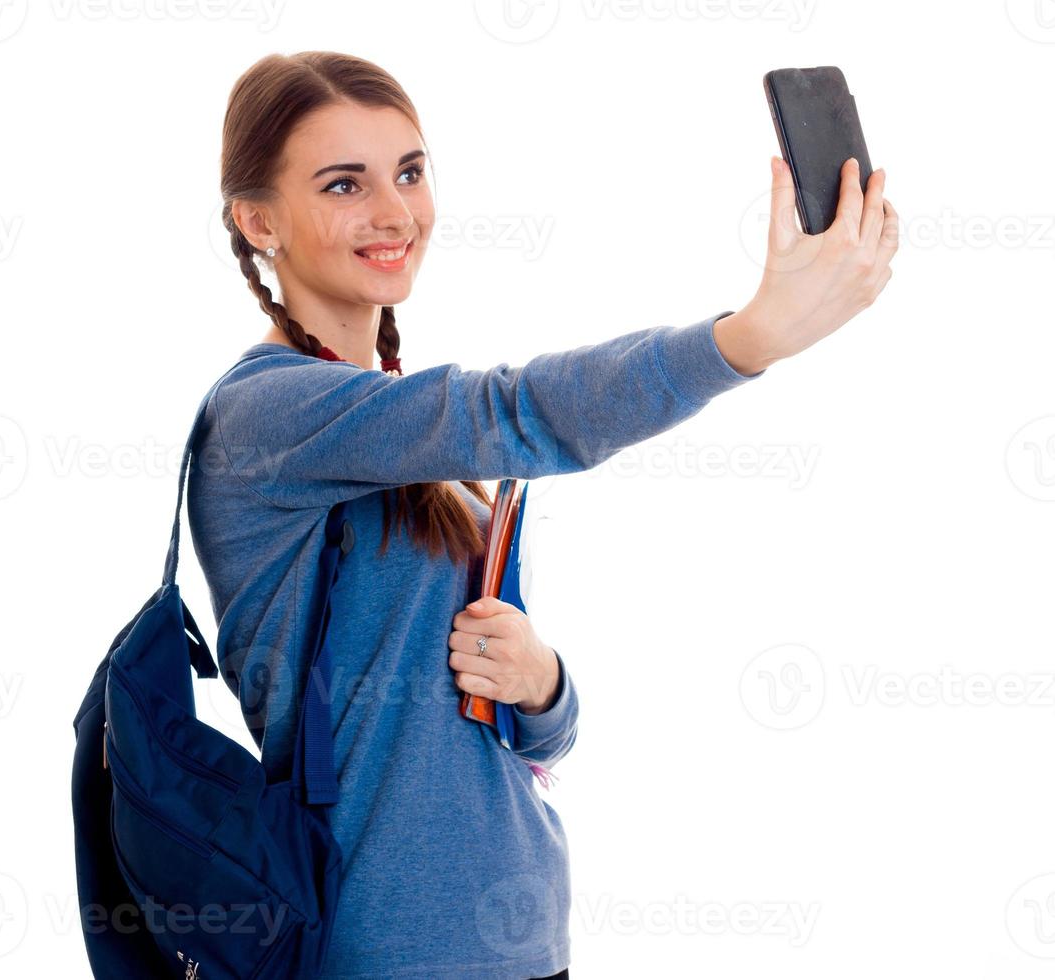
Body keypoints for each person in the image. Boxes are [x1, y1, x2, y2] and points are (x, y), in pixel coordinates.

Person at [186, 50, 896, 979]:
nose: (395, 212)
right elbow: (514, 410)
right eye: (343, 184)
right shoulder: (268, 413)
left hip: (520, 936)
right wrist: (746, 339)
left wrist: (541, 683)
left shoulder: (396, 432)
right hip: (385, 951)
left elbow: (515, 738)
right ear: (257, 219)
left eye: (408, 171)